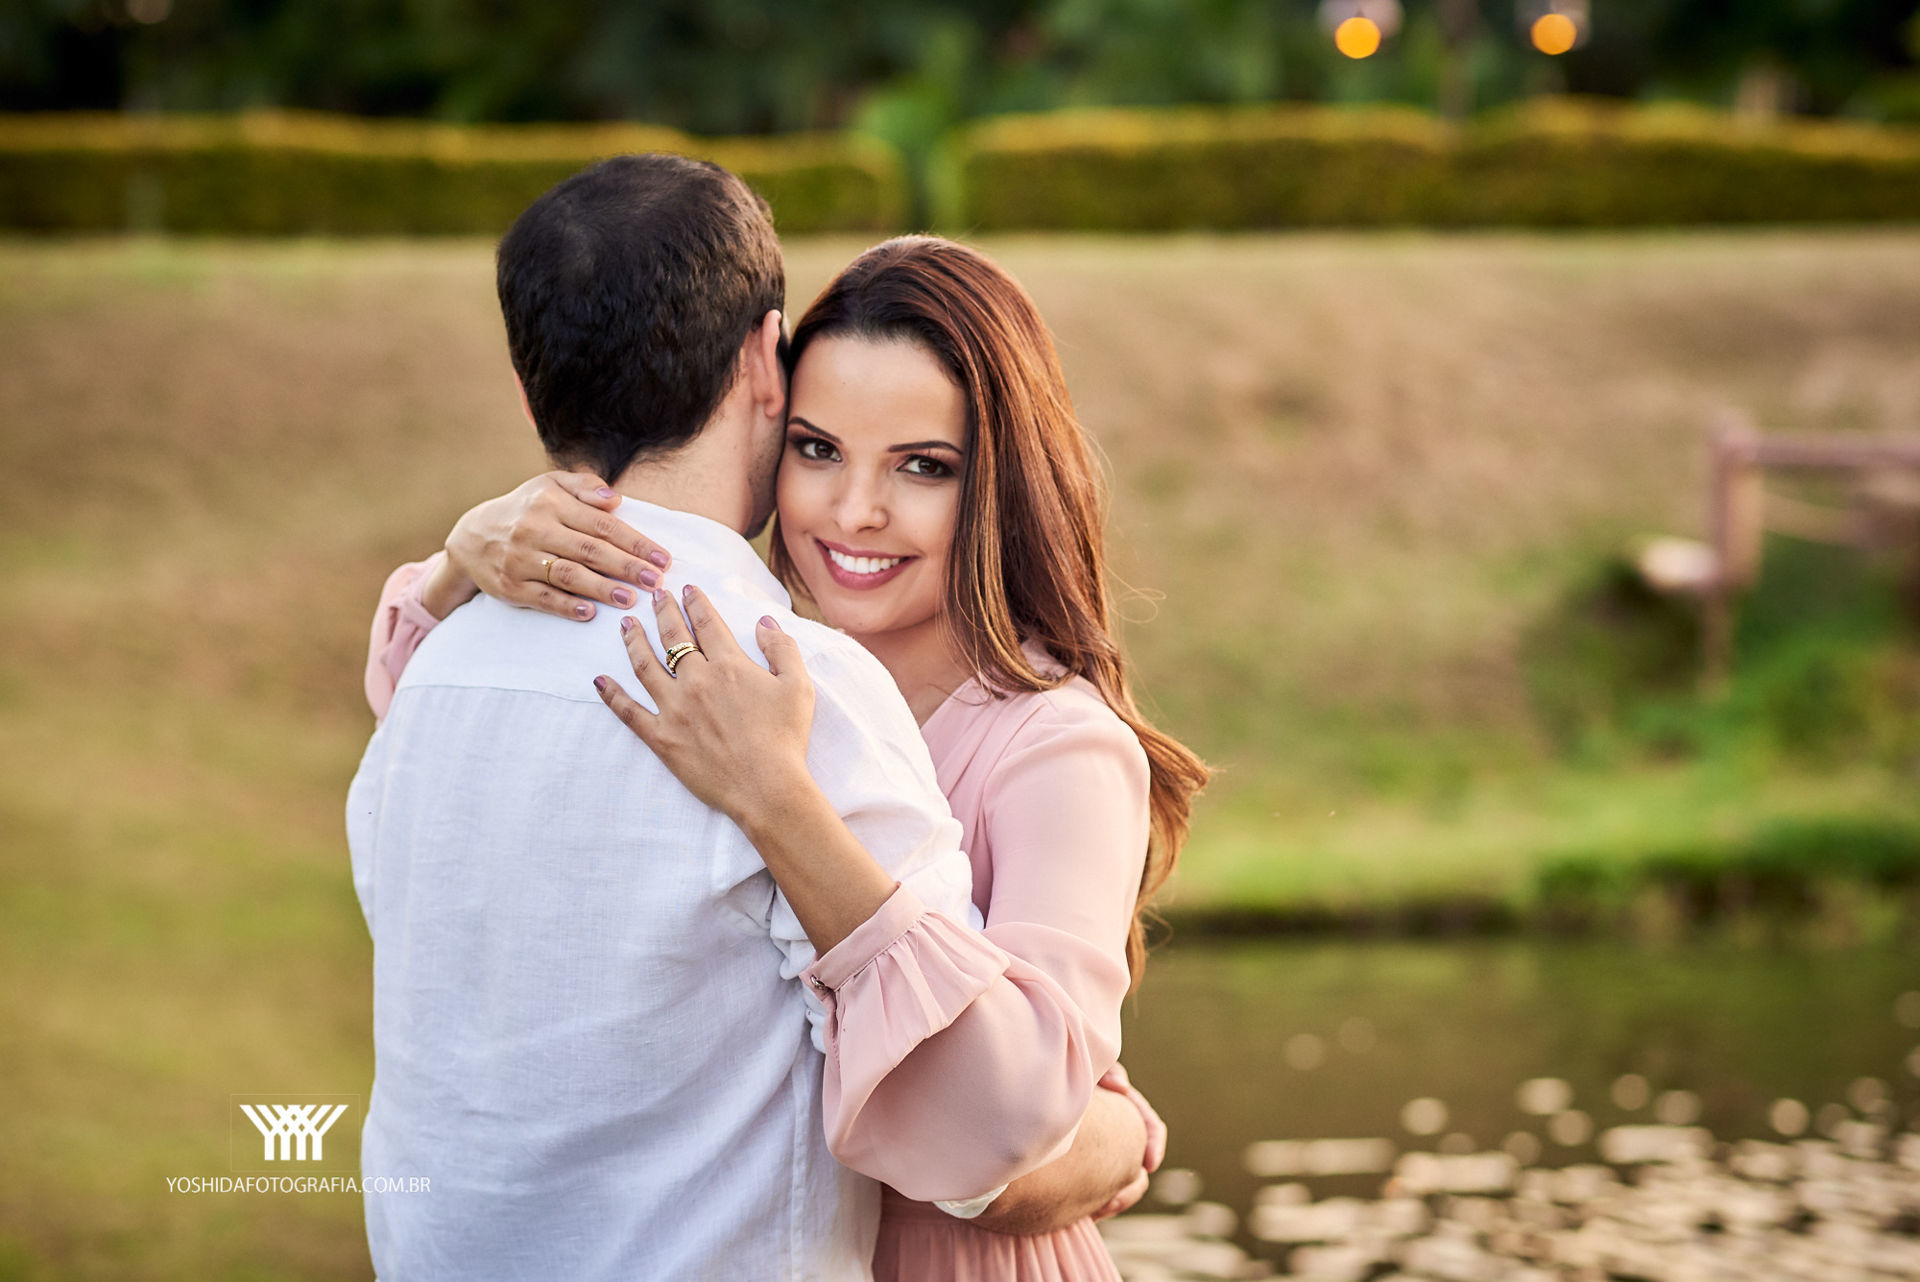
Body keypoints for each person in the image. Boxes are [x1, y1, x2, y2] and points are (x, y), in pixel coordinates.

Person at [368, 235, 1206, 1280]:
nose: (856, 510)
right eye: (818, 449)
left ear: (1000, 482)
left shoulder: (1055, 746)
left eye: (924, 466)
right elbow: (462, 729)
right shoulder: (738, 667)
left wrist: (1113, 1134)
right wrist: (461, 560)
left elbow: (1016, 1135)